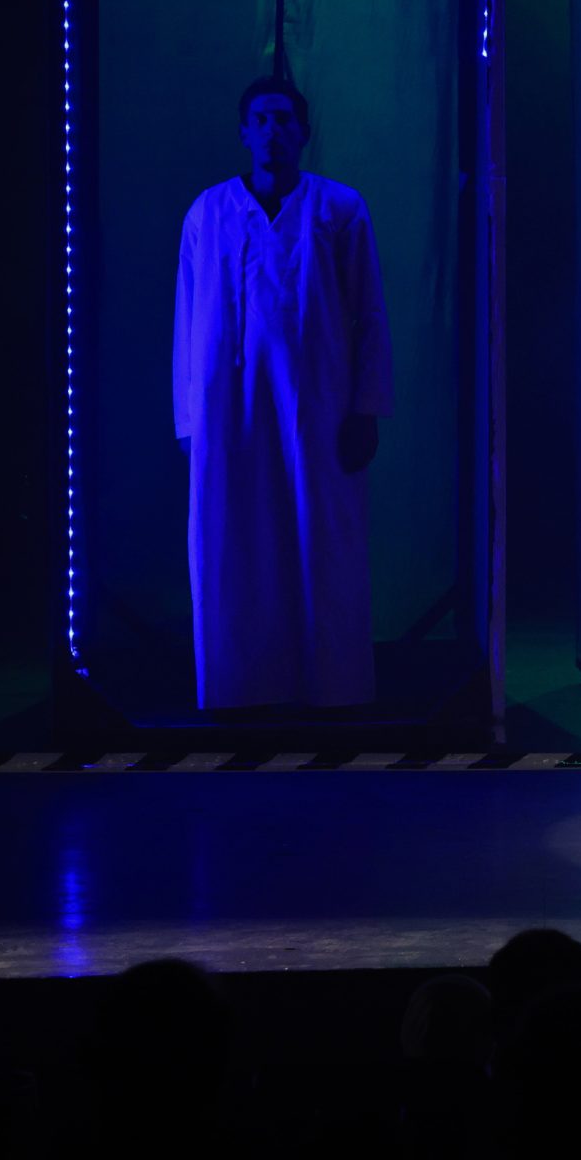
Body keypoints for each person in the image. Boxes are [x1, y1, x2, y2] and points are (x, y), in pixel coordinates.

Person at [173, 77, 392, 710]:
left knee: (320, 538)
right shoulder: (207, 213)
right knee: (234, 541)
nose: (273, 131)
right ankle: (238, 689)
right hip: (228, 412)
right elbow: (188, 317)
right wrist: (189, 420)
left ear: (304, 132)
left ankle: (332, 687)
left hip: (317, 407)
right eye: (261, 120)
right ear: (243, 132)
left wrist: (366, 408)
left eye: (284, 120)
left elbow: (369, 313)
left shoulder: (339, 209)